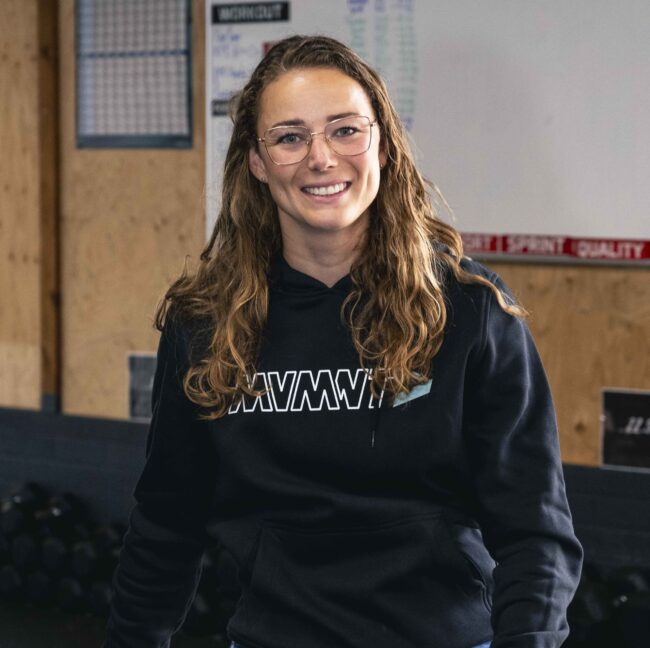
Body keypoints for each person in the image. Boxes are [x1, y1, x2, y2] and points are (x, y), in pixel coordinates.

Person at [103, 35, 583, 648]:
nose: (322, 158)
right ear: (257, 162)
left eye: (345, 130)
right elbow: (167, 524)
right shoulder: (206, 323)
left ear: (381, 143)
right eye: (289, 137)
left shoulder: (469, 309)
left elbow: (535, 529)